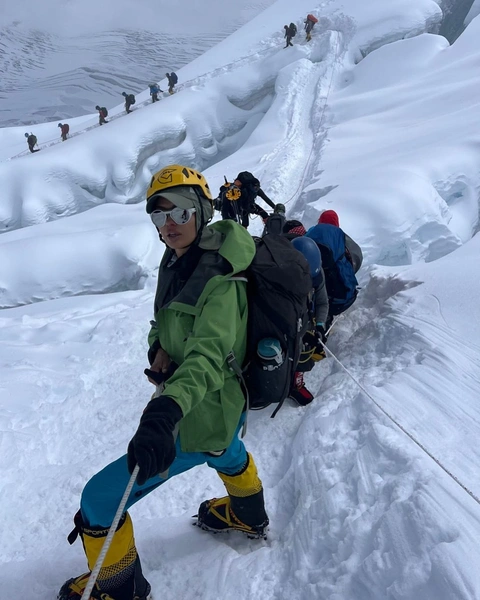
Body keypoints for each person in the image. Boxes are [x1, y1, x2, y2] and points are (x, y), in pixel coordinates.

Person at [58, 164, 269, 600]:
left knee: (100, 500)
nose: (169, 226)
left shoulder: (222, 281)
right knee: (226, 450)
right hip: (223, 407)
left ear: (201, 212)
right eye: (159, 216)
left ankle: (120, 587)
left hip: (199, 409)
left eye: (179, 214)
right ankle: (250, 516)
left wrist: (164, 412)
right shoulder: (180, 260)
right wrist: (161, 347)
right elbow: (167, 320)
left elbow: (209, 356)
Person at [288, 235, 329, 406]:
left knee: (307, 347)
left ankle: (295, 382)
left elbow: (322, 302)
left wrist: (319, 326)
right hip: (286, 319)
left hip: (304, 317)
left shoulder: (318, 275)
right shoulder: (281, 276)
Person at [306, 209, 362, 329]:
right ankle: (324, 323)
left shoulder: (313, 230)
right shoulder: (340, 235)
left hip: (309, 279)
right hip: (334, 287)